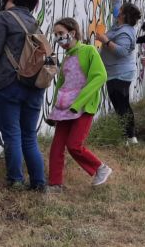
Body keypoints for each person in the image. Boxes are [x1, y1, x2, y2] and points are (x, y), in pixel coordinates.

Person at [0, 0, 46, 191]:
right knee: (29, 135)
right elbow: (16, 47)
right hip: (34, 86)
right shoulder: (34, 22)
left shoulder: (5, 18)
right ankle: (39, 183)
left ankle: (15, 181)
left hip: (8, 84)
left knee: (12, 134)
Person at [47, 18, 112, 190]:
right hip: (65, 109)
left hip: (83, 108)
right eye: (55, 35)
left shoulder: (89, 51)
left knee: (74, 145)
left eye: (60, 33)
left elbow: (100, 76)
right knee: (56, 147)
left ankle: (100, 168)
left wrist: (79, 102)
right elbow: (61, 85)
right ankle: (55, 184)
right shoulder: (67, 58)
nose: (58, 38)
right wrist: (55, 108)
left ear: (72, 33)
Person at [95, 0, 142, 145]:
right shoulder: (119, 24)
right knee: (122, 104)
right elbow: (116, 1)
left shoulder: (125, 32)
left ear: (123, 15)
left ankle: (129, 137)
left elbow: (121, 52)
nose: (118, 10)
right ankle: (130, 136)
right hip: (118, 72)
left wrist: (105, 41)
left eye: (120, 11)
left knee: (121, 105)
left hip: (119, 74)